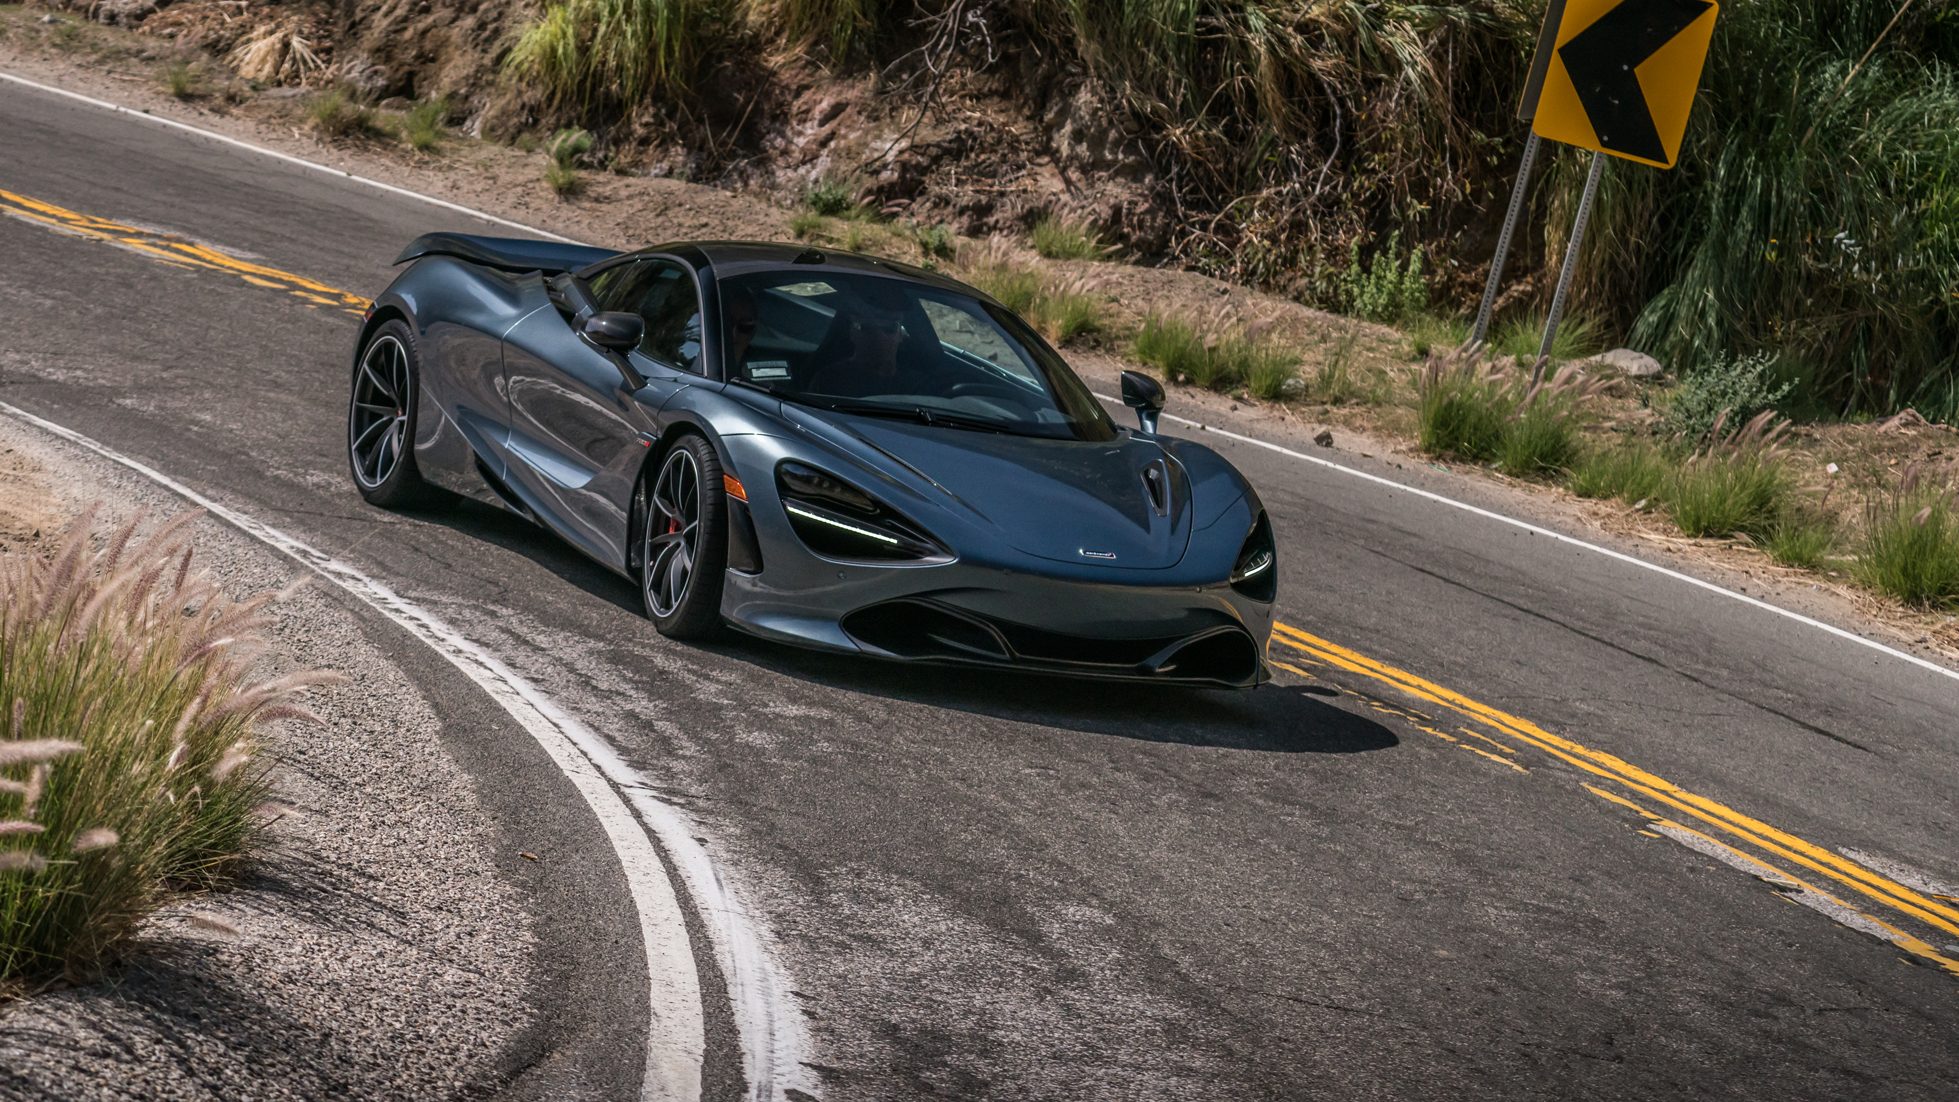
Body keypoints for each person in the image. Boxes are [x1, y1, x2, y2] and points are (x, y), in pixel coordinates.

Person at [723, 286, 758, 371]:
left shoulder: (761, 369)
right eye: (728, 324)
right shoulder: (700, 362)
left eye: (745, 325)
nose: (735, 334)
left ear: (753, 332)